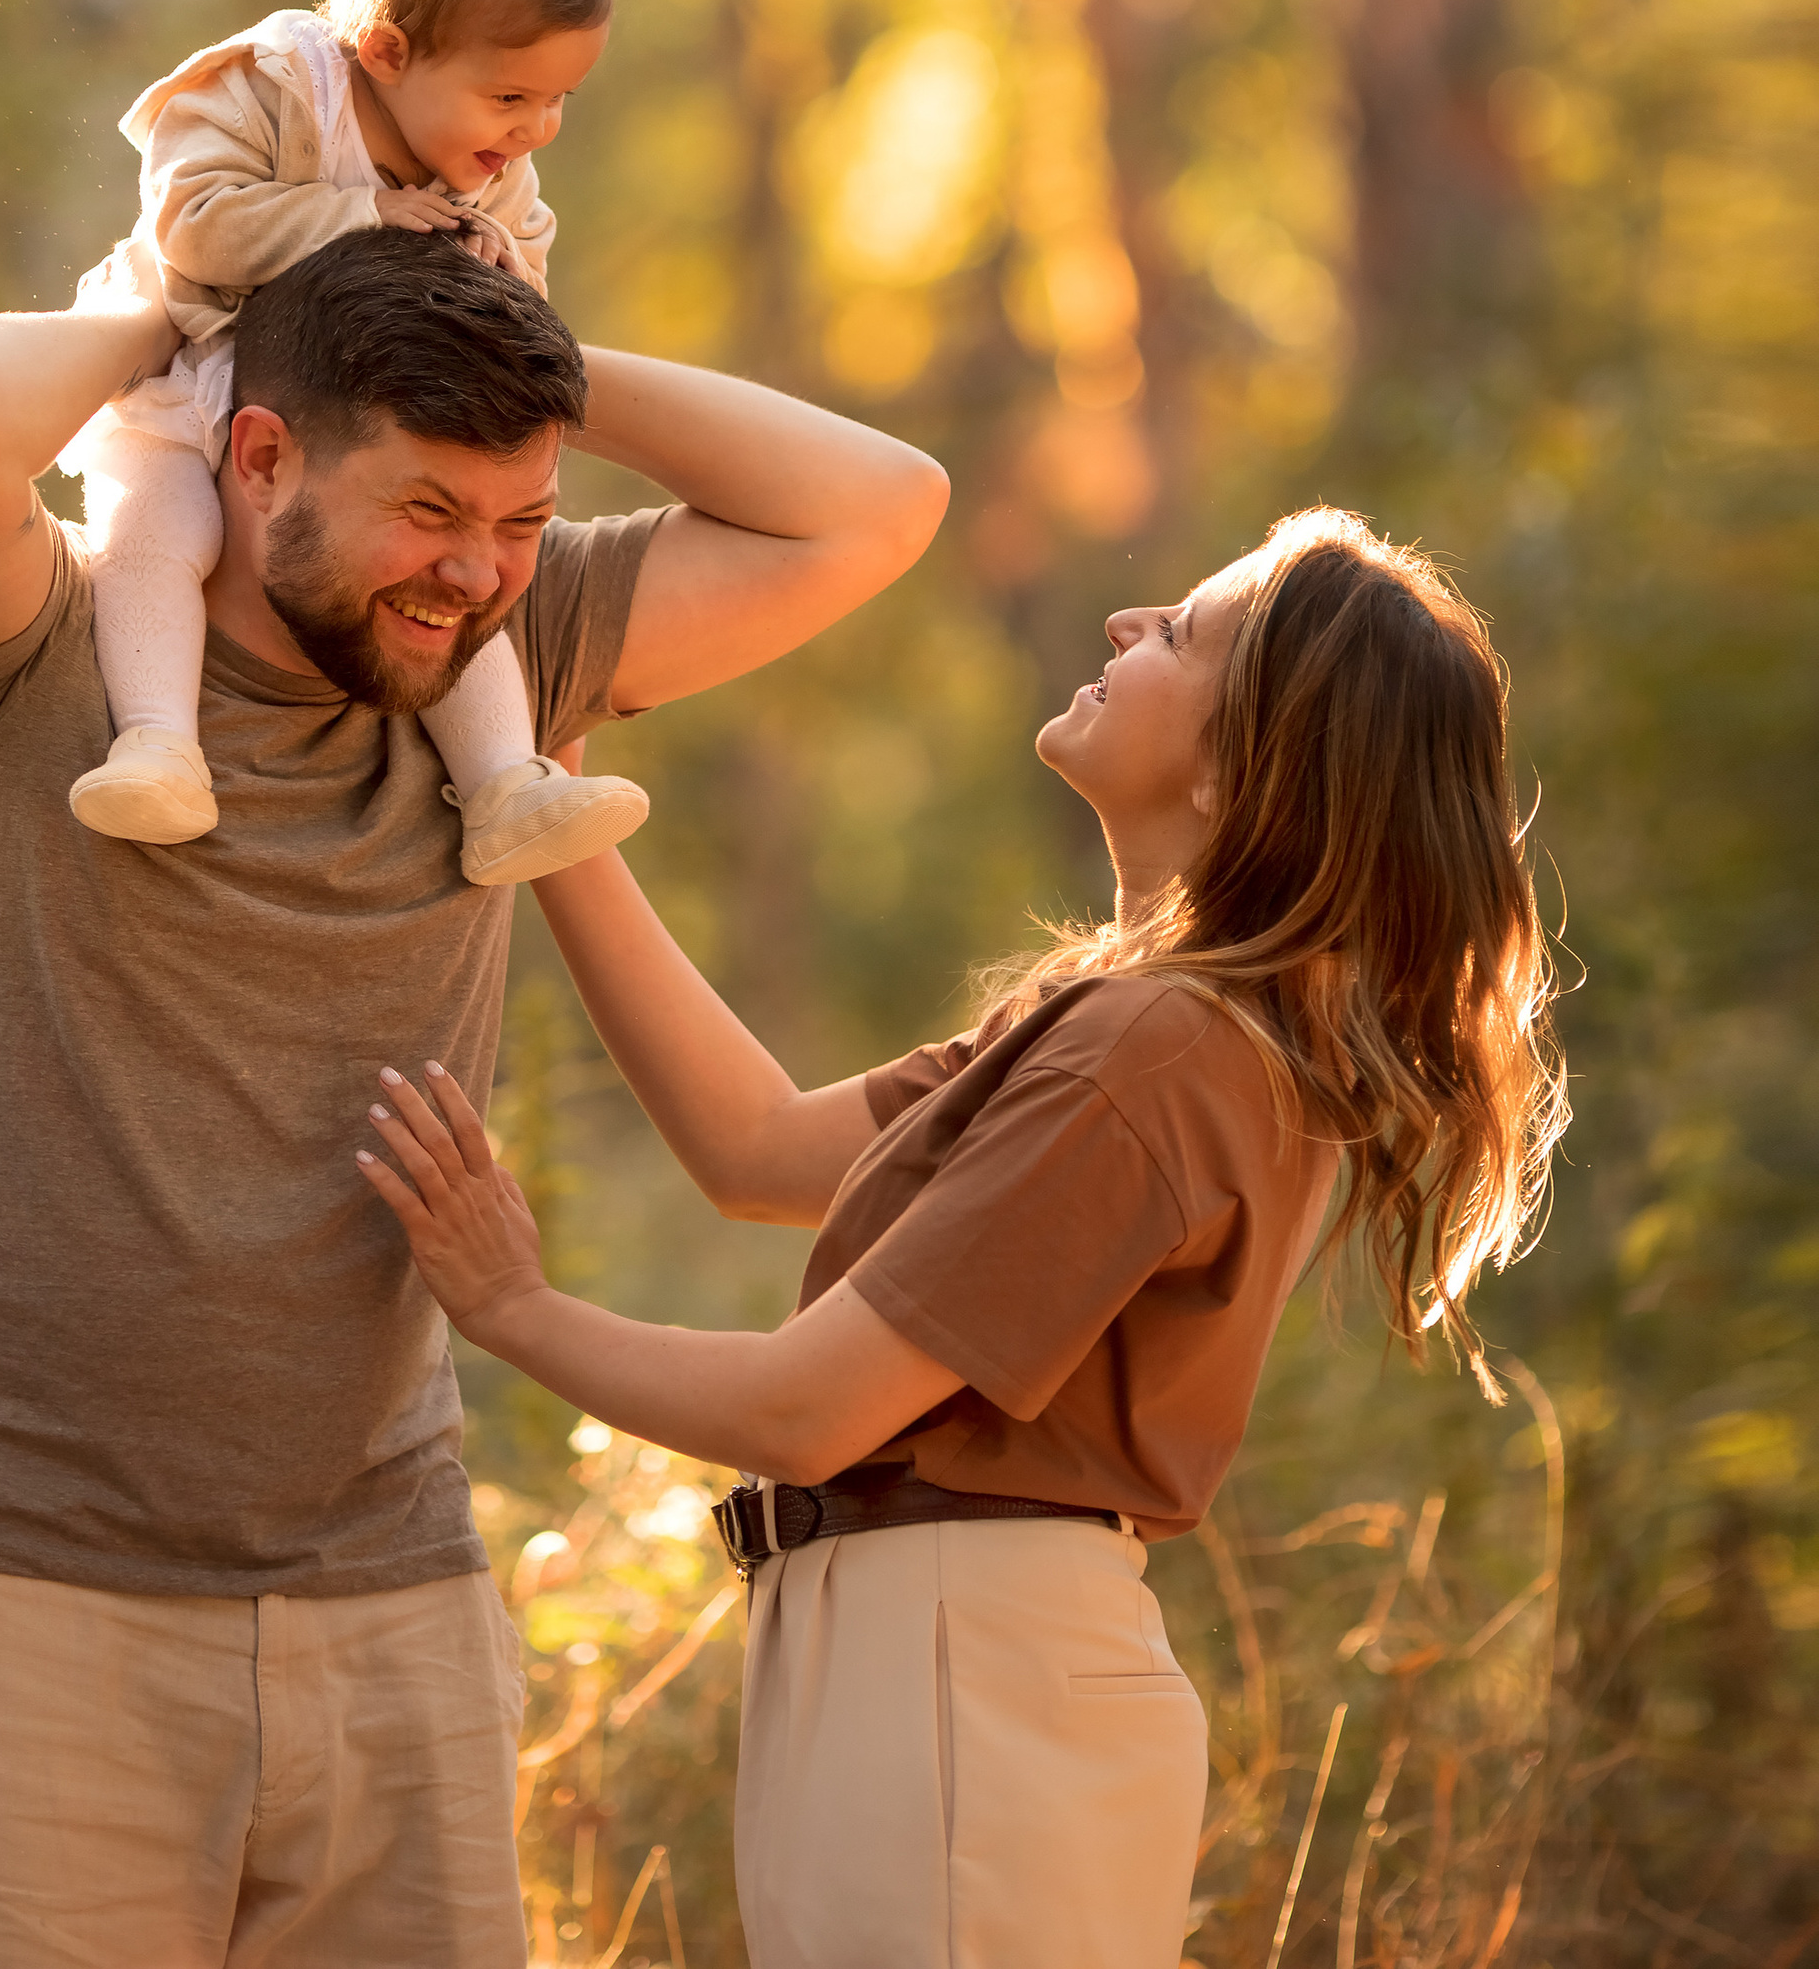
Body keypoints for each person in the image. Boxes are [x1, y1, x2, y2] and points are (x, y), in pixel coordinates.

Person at [0, 222, 948, 1969]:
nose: (475, 572)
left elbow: (880, 503)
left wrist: (538, 358)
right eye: (428, 507)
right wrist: (187, 310)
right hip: (6, 1585)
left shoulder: (502, 658)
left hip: (384, 1592)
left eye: (520, 518)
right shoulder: (27, 644)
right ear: (260, 453)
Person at [361, 504, 1569, 1969]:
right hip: (927, 1659)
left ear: (1241, 763)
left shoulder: (1159, 1051)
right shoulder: (1132, 1022)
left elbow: (807, 1412)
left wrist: (513, 1304)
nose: (1128, 623)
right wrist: (534, 798)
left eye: (1182, 632)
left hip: (959, 1666)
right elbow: (755, 1147)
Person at [61, 0, 646, 892]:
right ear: (385, 51)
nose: (538, 131)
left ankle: (504, 788)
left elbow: (521, 281)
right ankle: (157, 744)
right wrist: (366, 213)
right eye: (512, 96)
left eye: (559, 99)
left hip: (347, 426)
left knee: (452, 574)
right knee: (153, 537)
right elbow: (193, 224)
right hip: (187, 378)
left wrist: (494, 271)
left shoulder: (493, 168)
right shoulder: (275, 88)